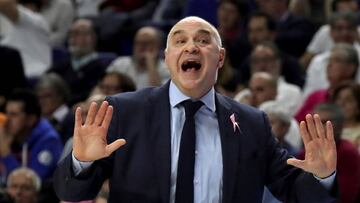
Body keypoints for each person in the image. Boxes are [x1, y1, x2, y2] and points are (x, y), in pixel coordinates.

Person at [54, 16, 338, 202]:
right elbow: (71, 192)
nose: (191, 47)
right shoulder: (125, 112)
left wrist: (322, 177)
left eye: (203, 40)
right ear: (167, 58)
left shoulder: (253, 123)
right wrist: (82, 162)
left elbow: (293, 191)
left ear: (221, 57)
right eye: (180, 41)